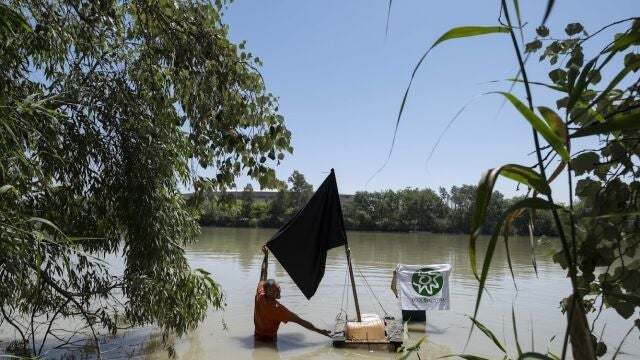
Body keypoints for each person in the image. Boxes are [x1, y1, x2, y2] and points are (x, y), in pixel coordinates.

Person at [254, 245, 331, 342]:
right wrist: (320, 331)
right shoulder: (276, 308)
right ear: (269, 292)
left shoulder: (260, 291)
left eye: (279, 287)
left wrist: (266, 256)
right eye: (276, 290)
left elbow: (263, 273)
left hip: (257, 336)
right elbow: (300, 321)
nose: (280, 290)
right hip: (269, 340)